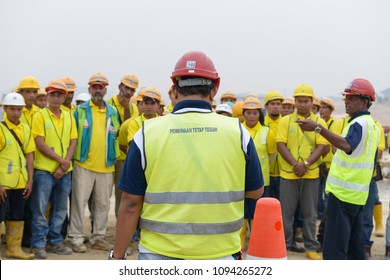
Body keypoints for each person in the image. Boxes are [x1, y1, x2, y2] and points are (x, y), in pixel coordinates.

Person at [111, 50, 264, 260]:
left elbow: (129, 204)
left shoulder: (146, 134)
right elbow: (256, 192)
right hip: (220, 254)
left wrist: (117, 257)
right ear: (215, 88)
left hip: (158, 254)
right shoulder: (238, 133)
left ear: (174, 89)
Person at [297, 78, 380, 260]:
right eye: (346, 97)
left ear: (365, 101)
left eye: (351, 98)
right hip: (357, 196)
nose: (346, 101)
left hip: (343, 195)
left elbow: (347, 145)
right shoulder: (371, 125)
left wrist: (318, 128)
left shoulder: (359, 124)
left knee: (335, 249)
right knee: (354, 248)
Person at [69, 72, 120, 253]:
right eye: (94, 87)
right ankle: (76, 238)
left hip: (106, 166)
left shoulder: (112, 112)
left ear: (106, 89)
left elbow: (116, 135)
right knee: (79, 203)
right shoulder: (80, 111)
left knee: (103, 204)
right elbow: (72, 137)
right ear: (90, 88)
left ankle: (98, 237)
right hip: (84, 164)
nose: (98, 90)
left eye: (101, 87)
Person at [276, 83, 327, 260]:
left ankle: (310, 246)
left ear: (312, 102)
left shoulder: (319, 123)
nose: (302, 104)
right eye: (299, 100)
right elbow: (280, 145)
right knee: (286, 213)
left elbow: (322, 146)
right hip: (288, 174)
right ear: (295, 101)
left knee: (310, 213)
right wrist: (294, 164)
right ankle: (284, 244)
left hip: (310, 174)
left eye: (306, 101)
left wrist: (304, 164)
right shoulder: (285, 121)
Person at [30, 80, 77, 259]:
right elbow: (39, 143)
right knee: (40, 209)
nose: (56, 98)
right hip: (44, 171)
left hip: (64, 171)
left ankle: (55, 241)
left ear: (64, 97)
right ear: (47, 96)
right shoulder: (40, 116)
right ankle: (38, 244)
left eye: (59, 94)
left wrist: (64, 164)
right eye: (52, 94)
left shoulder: (68, 116)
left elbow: (73, 141)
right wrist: (61, 162)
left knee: (60, 208)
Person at [0, 92, 35, 259]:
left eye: (19, 109)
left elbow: (29, 155)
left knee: (17, 215)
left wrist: (30, 180)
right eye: (12, 109)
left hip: (20, 181)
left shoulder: (26, 129)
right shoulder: (0, 129)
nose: (16, 112)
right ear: (4, 109)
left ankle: (13, 249)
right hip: (3, 183)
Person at [240, 97, 276, 251]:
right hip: (240, 180)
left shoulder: (267, 131)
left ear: (259, 114)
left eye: (255, 113)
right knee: (242, 214)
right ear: (244, 114)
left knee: (257, 215)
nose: (252, 116)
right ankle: (240, 244)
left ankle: (256, 244)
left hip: (261, 181)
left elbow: (272, 155)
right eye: (248, 113)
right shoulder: (237, 129)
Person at [317, 97, 336, 219]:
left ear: (331, 110)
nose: (322, 110)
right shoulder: (318, 123)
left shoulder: (335, 124)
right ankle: (320, 216)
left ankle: (327, 217)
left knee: (328, 193)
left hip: (331, 165)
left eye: (325, 108)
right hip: (319, 164)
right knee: (318, 194)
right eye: (321, 108)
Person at [264, 90, 284, 199]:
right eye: (272, 104)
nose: (275, 107)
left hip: (284, 173)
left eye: (278, 104)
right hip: (266, 174)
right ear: (266, 106)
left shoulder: (286, 123)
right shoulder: (261, 124)